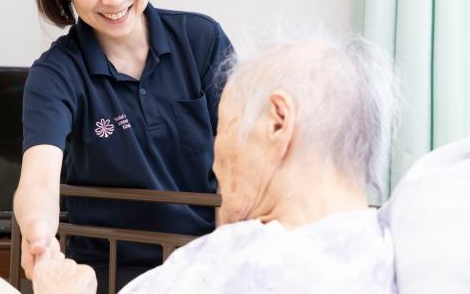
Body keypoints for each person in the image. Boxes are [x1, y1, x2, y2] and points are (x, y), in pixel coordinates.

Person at [32, 32, 401, 293]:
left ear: (277, 123)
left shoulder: (227, 266)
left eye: (223, 127)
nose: (215, 163)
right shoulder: (397, 253)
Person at [13, 0, 233, 293]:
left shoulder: (201, 40)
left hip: (204, 264)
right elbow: (39, 178)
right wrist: (41, 242)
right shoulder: (56, 74)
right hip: (109, 272)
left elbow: (244, 155)